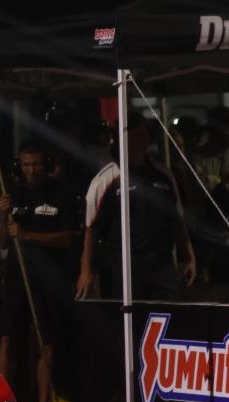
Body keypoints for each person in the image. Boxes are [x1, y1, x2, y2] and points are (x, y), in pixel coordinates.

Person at [0, 144, 78, 402]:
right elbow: (1, 242)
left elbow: (68, 237)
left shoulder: (62, 192)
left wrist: (29, 235)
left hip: (50, 276)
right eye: (25, 165)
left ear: (47, 164)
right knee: (7, 339)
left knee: (47, 341)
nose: (30, 170)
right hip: (18, 276)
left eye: (36, 164)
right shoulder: (12, 193)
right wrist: (3, 216)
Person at [76, 115, 196, 301]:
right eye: (136, 135)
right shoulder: (106, 179)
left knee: (166, 318)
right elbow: (91, 229)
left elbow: (176, 219)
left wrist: (189, 256)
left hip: (161, 262)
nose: (142, 139)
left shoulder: (162, 174)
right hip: (124, 265)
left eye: (145, 134)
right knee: (128, 322)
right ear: (123, 137)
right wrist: (86, 271)